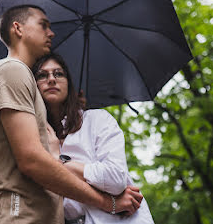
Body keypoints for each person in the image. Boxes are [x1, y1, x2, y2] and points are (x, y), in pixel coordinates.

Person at [0, 5, 143, 224]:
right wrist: (108, 203)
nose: (51, 33)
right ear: (18, 29)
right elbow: (32, 161)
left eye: (59, 74)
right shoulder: (12, 70)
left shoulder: (75, 120)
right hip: (17, 216)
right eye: (43, 25)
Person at [32, 53, 155, 224]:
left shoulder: (98, 120)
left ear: (69, 83)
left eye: (59, 73)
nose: (51, 79)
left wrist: (59, 164)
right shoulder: (33, 139)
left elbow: (116, 178)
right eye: (42, 75)